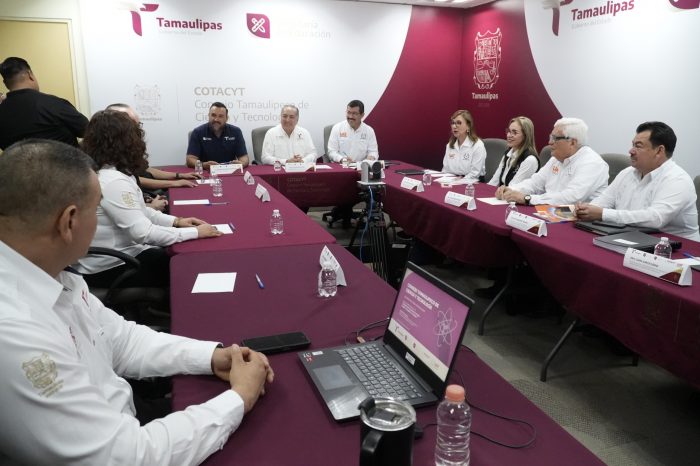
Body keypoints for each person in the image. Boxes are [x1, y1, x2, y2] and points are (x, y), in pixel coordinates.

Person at [0, 139, 273, 465]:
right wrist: (239, 398)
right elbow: (128, 456)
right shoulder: (15, 332)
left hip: (124, 417)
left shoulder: (55, 274)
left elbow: (122, 340)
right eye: (96, 209)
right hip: (126, 444)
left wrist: (212, 357)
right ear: (69, 222)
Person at [76, 110, 221, 289]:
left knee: (175, 250)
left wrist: (177, 221)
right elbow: (143, 233)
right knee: (186, 261)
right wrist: (196, 232)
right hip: (112, 267)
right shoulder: (113, 181)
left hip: (121, 255)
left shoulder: (111, 172)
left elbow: (142, 212)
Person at [576, 121, 700, 241]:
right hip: (631, 237)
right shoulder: (627, 173)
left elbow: (655, 219)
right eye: (633, 145)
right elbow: (604, 201)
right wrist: (586, 210)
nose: (631, 151)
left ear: (659, 151)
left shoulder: (677, 179)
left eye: (638, 146)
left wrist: (603, 214)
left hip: (674, 246)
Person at [500, 117, 608, 205]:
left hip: (578, 220)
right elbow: (535, 183)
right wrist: (511, 190)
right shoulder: (556, 159)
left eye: (555, 138)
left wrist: (528, 199)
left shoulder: (592, 163)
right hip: (551, 212)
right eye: (551, 137)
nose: (550, 142)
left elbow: (570, 198)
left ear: (572, 142)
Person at [107, 103, 200, 192]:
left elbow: (145, 169)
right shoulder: (108, 152)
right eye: (132, 125)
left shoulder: (129, 144)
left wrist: (179, 175)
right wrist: (174, 183)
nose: (138, 130)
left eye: (138, 125)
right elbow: (132, 179)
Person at [0, 56, 88, 150]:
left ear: (5, 83)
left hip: (18, 160)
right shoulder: (54, 104)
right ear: (29, 75)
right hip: (65, 159)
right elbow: (91, 132)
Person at [186, 102, 249, 170]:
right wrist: (203, 165)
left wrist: (241, 164)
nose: (216, 119)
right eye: (213, 115)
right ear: (209, 116)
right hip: (205, 172)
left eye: (220, 116)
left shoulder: (236, 132)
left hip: (229, 171)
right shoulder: (198, 132)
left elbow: (244, 158)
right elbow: (190, 159)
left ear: (227, 118)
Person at [488, 116, 539, 187]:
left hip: (513, 193)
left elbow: (513, 188)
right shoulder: (508, 154)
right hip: (503, 192)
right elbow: (494, 182)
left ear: (525, 136)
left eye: (514, 133)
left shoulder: (530, 160)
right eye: (509, 131)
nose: (509, 135)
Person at [441, 110, 486, 182]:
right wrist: (444, 180)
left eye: (459, 123)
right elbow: (445, 170)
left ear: (468, 126)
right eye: (453, 123)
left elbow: (475, 173)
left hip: (473, 182)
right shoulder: (450, 145)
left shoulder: (477, 145)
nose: (454, 126)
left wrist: (459, 181)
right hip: (452, 181)